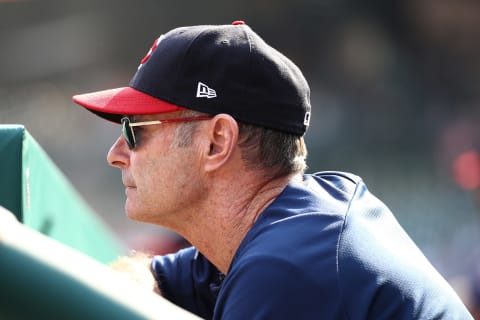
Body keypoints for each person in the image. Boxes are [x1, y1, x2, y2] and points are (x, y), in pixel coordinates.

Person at [72, 21, 473, 319]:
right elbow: (147, 274)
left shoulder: (289, 267)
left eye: (134, 130)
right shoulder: (291, 227)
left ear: (217, 142)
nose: (116, 153)